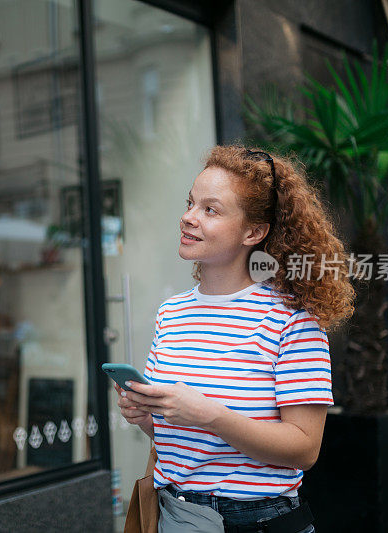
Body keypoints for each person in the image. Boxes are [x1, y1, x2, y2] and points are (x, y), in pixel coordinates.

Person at [116, 145, 355, 533]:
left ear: (254, 232)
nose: (188, 218)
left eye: (210, 210)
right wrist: (146, 417)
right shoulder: (171, 314)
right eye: (190, 203)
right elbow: (180, 440)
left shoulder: (291, 317)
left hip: (258, 521)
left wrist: (210, 415)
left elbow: (305, 448)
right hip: (178, 517)